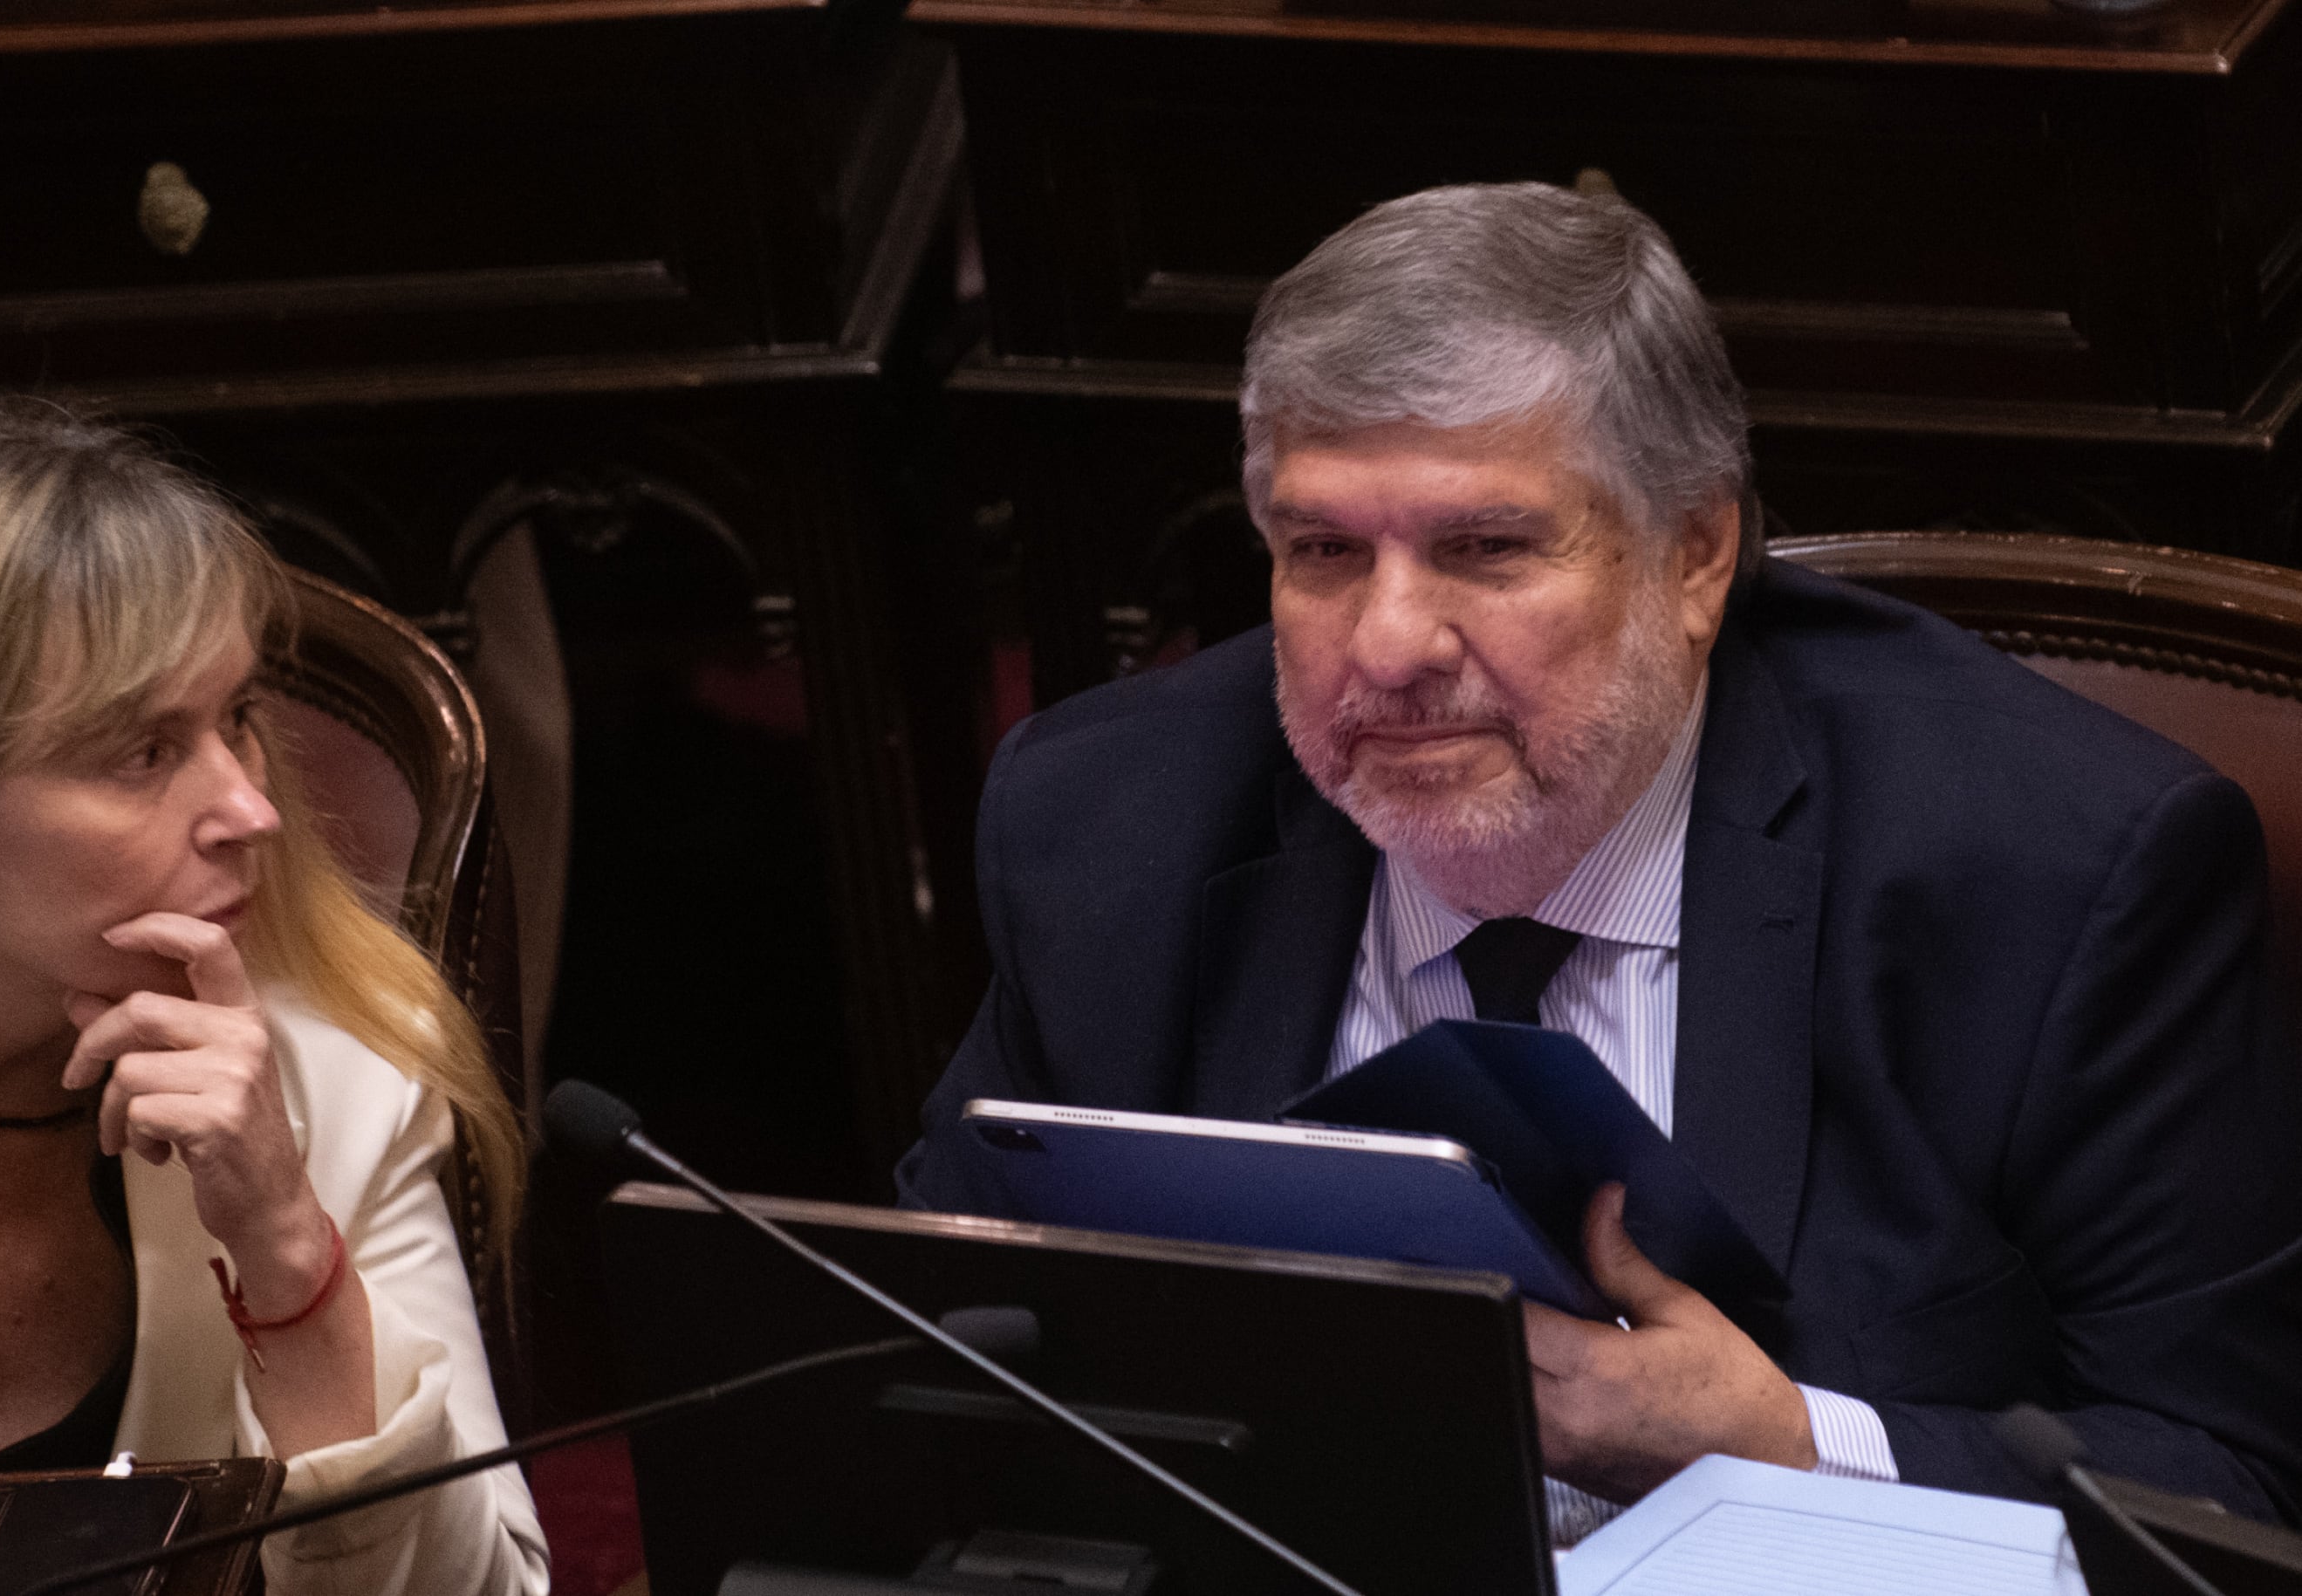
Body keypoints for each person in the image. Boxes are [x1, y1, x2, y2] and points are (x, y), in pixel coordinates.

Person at [900, 182, 2302, 1538]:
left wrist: (1795, 1453)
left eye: (1487, 546)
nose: (1387, 645)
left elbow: (2228, 1489)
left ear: (1695, 555)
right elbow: (918, 1346)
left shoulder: (2053, 878)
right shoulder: (1106, 827)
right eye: (1322, 548)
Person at [0, 403, 549, 1595]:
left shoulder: (335, 1074)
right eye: (142, 751)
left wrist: (287, 1248)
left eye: (238, 719)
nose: (250, 808)